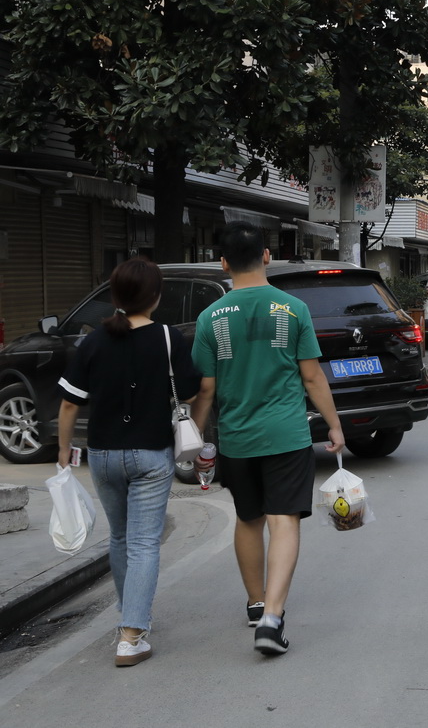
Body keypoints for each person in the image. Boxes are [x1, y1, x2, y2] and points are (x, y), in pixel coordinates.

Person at [190, 222, 345, 656]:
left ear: (222, 262)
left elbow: (206, 389)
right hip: (287, 435)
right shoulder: (293, 308)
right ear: (266, 256)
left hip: (236, 438)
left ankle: (257, 604)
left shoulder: (209, 318)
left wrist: (195, 438)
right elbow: (311, 375)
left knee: (248, 519)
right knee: (284, 521)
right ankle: (273, 619)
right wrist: (333, 424)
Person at [56, 258, 201, 667]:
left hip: (102, 455)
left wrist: (64, 450)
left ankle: (130, 618)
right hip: (151, 455)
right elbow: (188, 395)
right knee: (142, 543)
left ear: (115, 295)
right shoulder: (169, 338)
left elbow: (69, 403)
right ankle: (131, 635)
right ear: (155, 297)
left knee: (119, 538)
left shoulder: (94, 341)